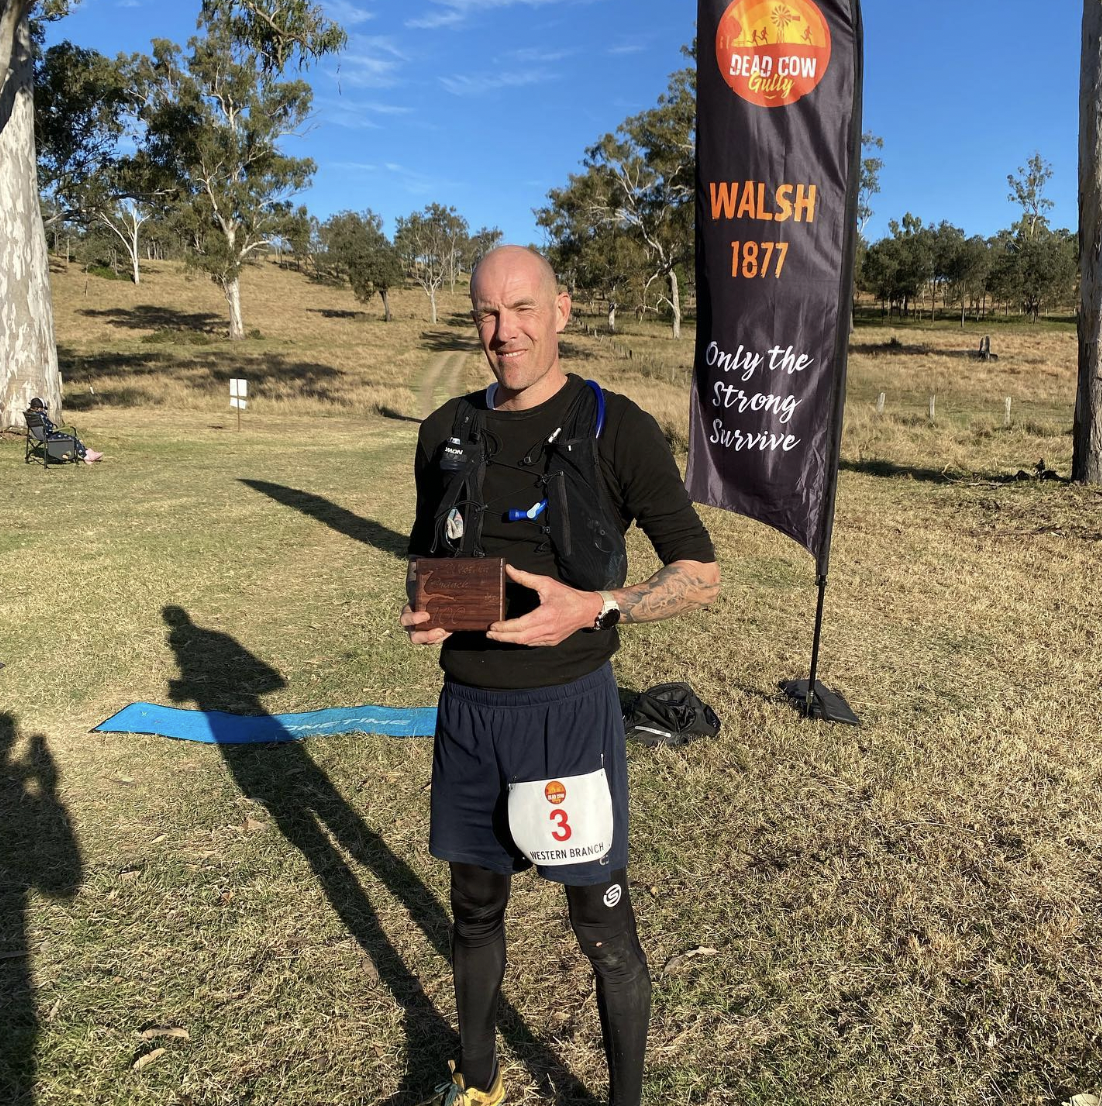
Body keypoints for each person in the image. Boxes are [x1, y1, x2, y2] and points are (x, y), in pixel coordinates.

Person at [401, 245, 720, 1106]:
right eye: (487, 315)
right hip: (470, 714)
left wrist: (597, 606)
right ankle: (477, 1083)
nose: (506, 333)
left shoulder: (618, 428)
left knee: (602, 929)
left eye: (524, 309)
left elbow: (698, 570)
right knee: (475, 911)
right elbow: (424, 558)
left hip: (570, 715)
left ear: (563, 309)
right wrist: (427, 605)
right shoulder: (444, 431)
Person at [25, 398, 103, 463]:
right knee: (72, 438)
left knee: (70, 438)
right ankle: (86, 456)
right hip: (48, 436)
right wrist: (55, 427)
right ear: (38, 408)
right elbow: (49, 427)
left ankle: (87, 453)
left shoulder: (30, 415)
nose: (44, 410)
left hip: (38, 435)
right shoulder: (41, 416)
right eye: (43, 408)